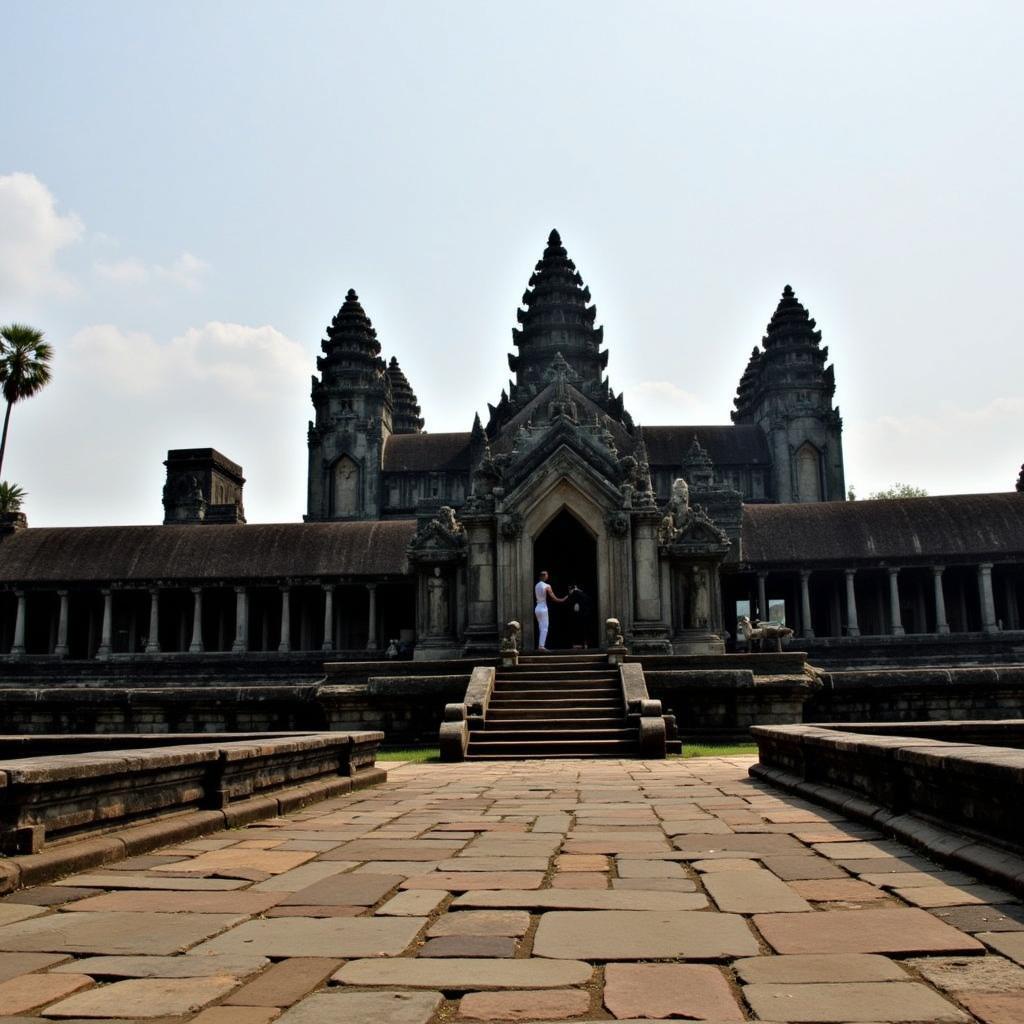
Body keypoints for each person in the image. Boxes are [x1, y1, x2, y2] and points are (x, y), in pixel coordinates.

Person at [534, 570, 566, 651]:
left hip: (537, 607)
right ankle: (541, 646)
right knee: (545, 627)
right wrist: (562, 599)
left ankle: (540, 645)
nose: (547, 577)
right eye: (546, 575)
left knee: (541, 626)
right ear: (543, 576)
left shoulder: (536, 585)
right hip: (543, 608)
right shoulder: (547, 586)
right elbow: (553, 598)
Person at [567, 583, 592, 648]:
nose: (569, 590)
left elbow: (586, 600)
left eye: (570, 589)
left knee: (582, 629)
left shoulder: (578, 593)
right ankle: (580, 644)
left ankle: (583, 643)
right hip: (578, 615)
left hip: (582, 615)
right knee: (580, 629)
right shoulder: (575, 594)